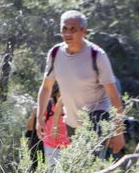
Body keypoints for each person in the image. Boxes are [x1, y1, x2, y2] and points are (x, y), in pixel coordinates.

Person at [36, 10, 126, 158]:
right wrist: (40, 118)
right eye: (64, 28)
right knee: (78, 165)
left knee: (90, 162)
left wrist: (119, 131)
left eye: (73, 29)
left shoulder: (97, 55)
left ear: (84, 31)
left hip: (97, 116)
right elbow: (46, 87)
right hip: (72, 121)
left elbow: (114, 95)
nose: (68, 33)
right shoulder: (55, 53)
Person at [26, 83, 69, 169]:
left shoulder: (72, 105)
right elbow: (30, 128)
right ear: (56, 92)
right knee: (53, 171)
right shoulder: (48, 105)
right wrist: (34, 115)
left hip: (69, 145)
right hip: (51, 144)